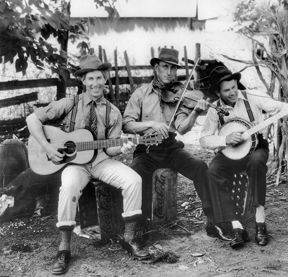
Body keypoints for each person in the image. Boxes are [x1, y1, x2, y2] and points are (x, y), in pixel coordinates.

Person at [26, 54, 149, 276]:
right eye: (90, 78)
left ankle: (129, 239)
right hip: (76, 165)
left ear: (105, 79)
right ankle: (64, 248)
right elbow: (31, 120)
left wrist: (122, 148)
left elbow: (110, 148)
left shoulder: (113, 111)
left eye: (100, 78)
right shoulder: (69, 103)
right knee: (69, 187)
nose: (95, 83)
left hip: (101, 160)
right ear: (83, 80)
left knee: (134, 180)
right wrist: (47, 147)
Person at [199, 66, 288, 248]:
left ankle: (260, 222)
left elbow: (279, 108)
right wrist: (223, 139)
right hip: (229, 152)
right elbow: (203, 139)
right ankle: (236, 226)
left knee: (257, 162)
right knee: (212, 172)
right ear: (218, 92)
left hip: (257, 147)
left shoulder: (252, 97)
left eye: (234, 87)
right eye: (227, 90)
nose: (233, 92)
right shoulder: (214, 110)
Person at [122, 47, 211, 229]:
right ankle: (140, 226)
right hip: (146, 150)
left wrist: (194, 112)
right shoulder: (141, 94)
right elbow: (126, 125)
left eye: (173, 68)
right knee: (136, 174)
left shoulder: (178, 95)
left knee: (200, 167)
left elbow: (182, 128)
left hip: (171, 149)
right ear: (156, 67)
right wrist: (152, 124)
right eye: (165, 67)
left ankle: (214, 219)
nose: (169, 73)